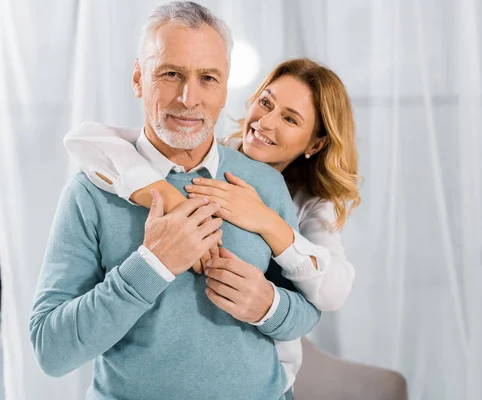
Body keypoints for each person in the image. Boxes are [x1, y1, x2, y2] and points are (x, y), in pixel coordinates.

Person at [30, 2, 320, 399]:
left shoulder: (263, 185)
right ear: (138, 78)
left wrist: (268, 305)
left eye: (208, 78)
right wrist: (152, 264)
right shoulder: (90, 192)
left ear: (225, 87)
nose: (189, 98)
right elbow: (51, 350)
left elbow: (307, 313)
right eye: (170, 74)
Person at [64, 53, 361, 393]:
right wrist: (168, 198)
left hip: (267, 380)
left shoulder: (311, 204)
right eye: (266, 103)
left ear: (317, 143)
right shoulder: (199, 155)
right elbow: (85, 139)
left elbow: (332, 291)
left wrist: (266, 221)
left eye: (290, 119)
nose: (265, 123)